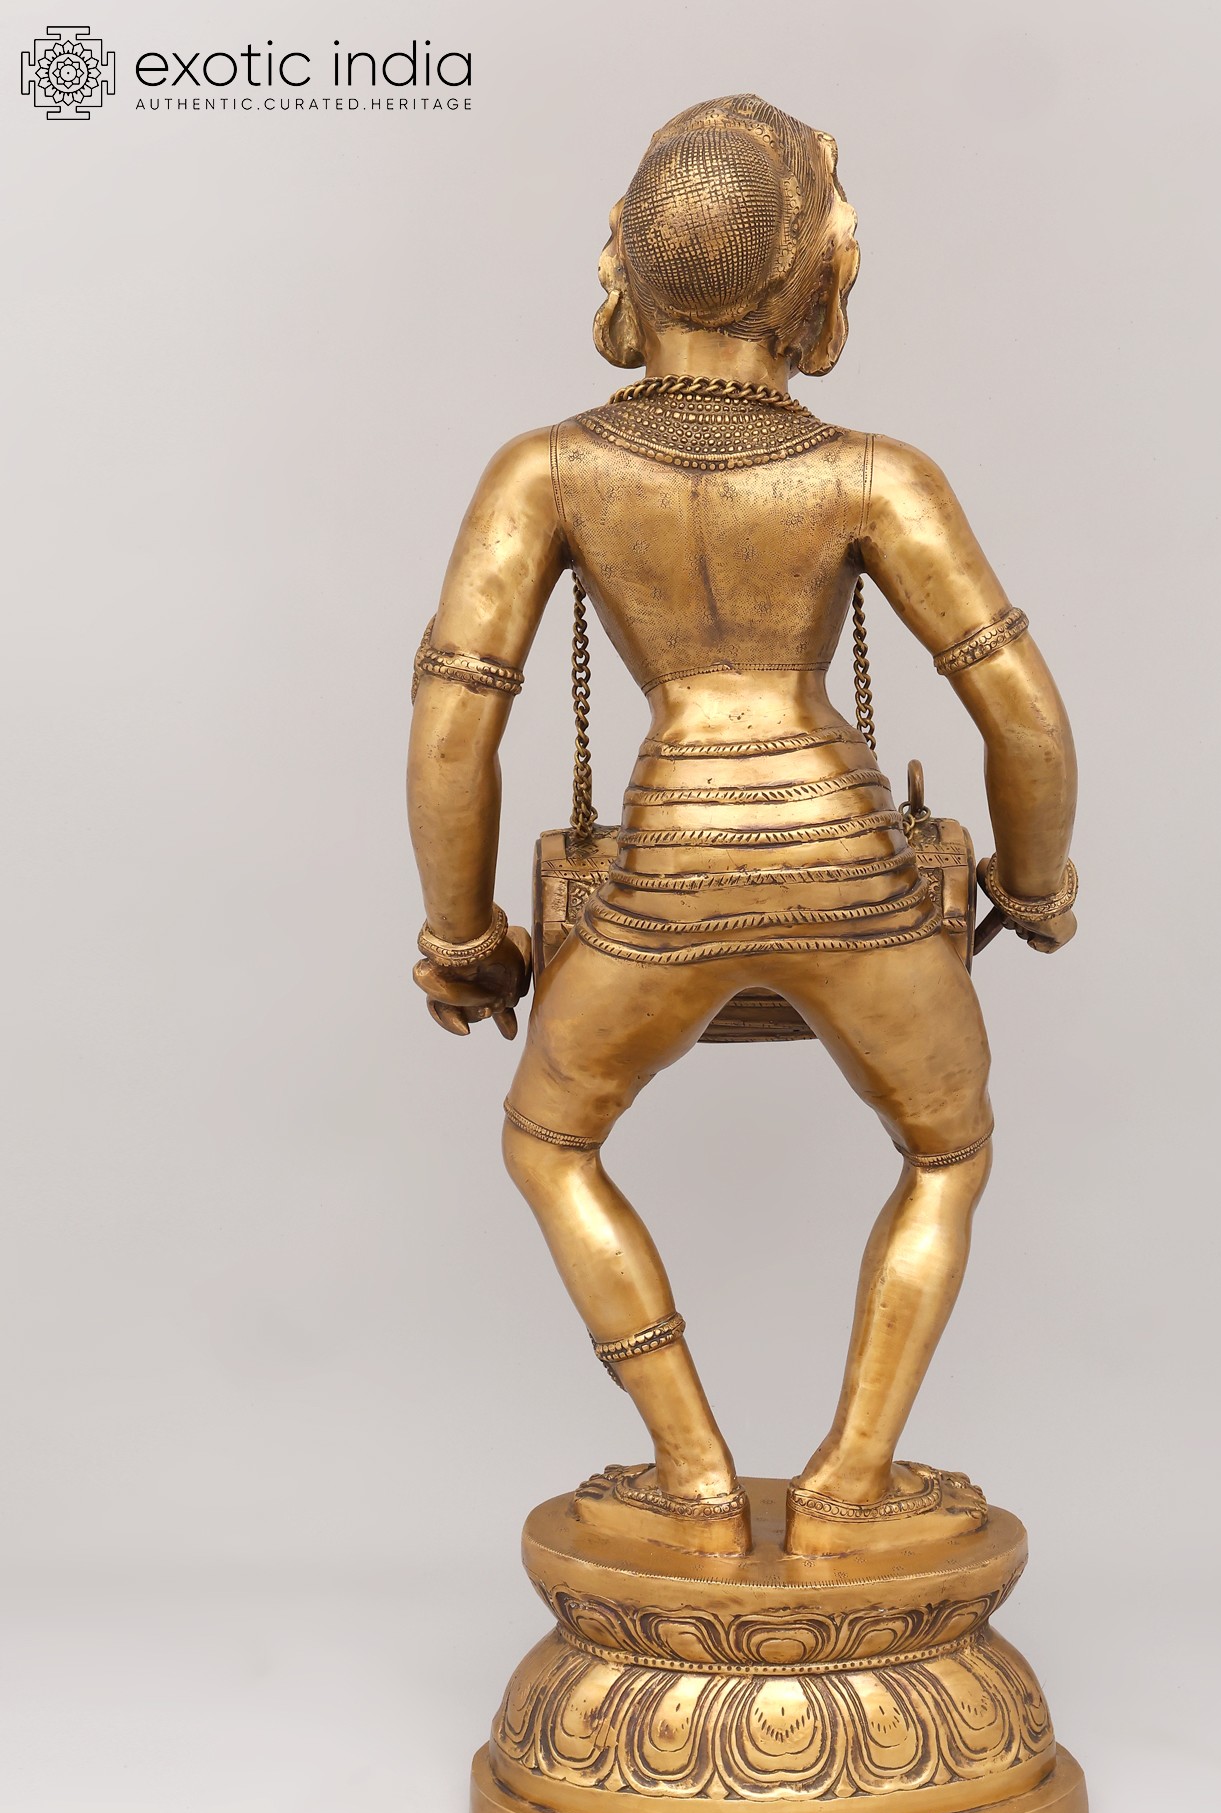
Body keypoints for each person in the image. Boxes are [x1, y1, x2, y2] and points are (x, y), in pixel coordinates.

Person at [406, 95, 1078, 1559]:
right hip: (855, 873)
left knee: (550, 1143)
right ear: (815, 278)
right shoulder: (872, 476)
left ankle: (694, 1468)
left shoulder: (547, 472)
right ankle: (853, 1476)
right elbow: (1023, 715)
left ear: (629, 263)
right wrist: (1028, 891)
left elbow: (455, 721)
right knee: (946, 1153)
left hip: (662, 874)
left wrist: (464, 939)